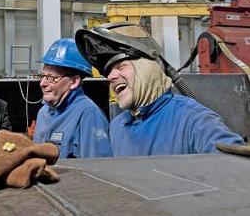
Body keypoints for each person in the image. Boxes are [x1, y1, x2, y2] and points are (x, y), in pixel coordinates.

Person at [75, 21, 245, 156]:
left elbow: (235, 170)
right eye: (108, 72)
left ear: (147, 68)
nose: (110, 77)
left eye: (120, 66)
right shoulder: (117, 126)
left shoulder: (194, 119)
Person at [32, 38, 112, 158]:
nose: (42, 83)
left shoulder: (88, 114)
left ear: (74, 81)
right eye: (42, 76)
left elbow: (97, 168)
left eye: (51, 77)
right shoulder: (43, 113)